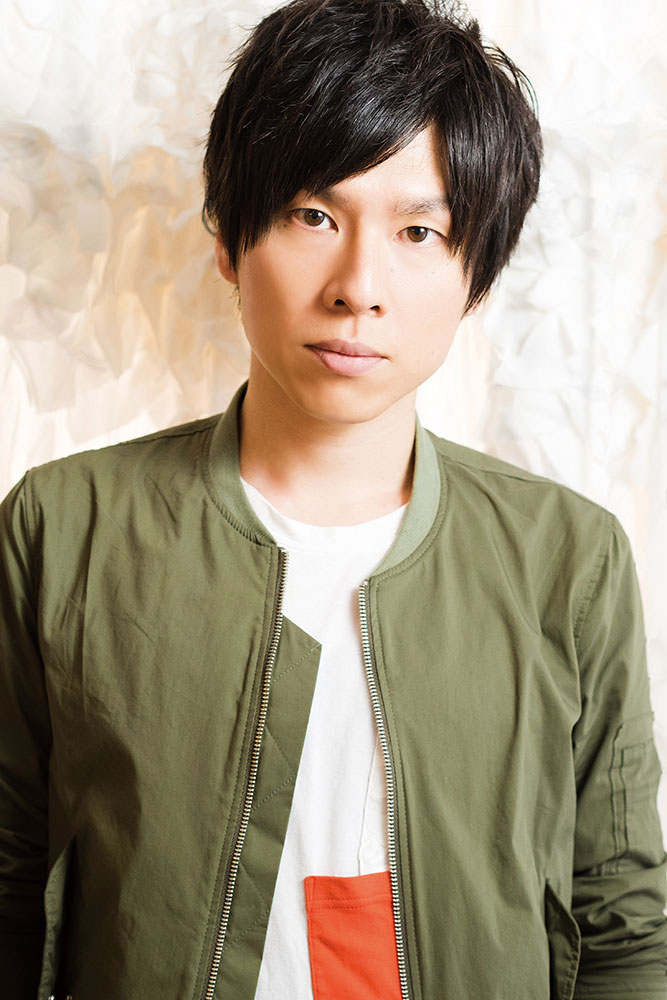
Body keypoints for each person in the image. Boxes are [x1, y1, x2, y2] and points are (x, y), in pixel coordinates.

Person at [1, 0, 665, 996]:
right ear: (228, 238)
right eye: (313, 215)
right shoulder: (64, 528)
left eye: (419, 230)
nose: (359, 285)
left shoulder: (566, 557)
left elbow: (623, 926)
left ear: (476, 275)